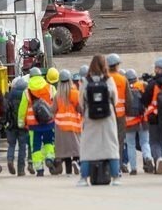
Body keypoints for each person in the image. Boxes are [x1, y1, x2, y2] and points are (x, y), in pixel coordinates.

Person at [77, 54, 123, 187]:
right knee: (111, 146)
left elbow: (81, 101)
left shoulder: (86, 81)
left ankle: (83, 178)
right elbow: (115, 99)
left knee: (87, 147)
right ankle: (115, 177)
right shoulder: (109, 79)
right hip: (107, 117)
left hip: (90, 116)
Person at [19, 65, 57, 176]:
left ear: (30, 77)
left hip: (33, 125)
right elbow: (56, 104)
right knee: (49, 142)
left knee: (35, 146)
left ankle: (39, 169)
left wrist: (21, 122)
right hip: (48, 122)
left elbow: (22, 109)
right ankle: (50, 158)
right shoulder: (50, 88)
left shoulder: (26, 92)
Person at [123, 69, 153, 175]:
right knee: (145, 142)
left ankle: (134, 168)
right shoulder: (142, 85)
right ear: (136, 77)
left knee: (130, 145)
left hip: (129, 121)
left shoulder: (124, 88)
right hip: (143, 119)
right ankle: (148, 157)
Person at [54, 69, 82, 175]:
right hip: (73, 124)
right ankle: (76, 161)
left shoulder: (57, 95)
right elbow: (80, 108)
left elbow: (53, 110)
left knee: (65, 150)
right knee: (76, 147)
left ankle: (68, 171)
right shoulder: (75, 93)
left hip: (60, 126)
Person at [106, 53, 129, 169]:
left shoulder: (104, 78)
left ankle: (108, 165)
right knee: (119, 142)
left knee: (108, 140)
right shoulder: (122, 79)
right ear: (116, 66)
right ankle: (118, 166)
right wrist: (129, 113)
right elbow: (128, 99)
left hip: (107, 115)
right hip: (120, 115)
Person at [5, 76, 30, 176]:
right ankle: (21, 169)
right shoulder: (26, 95)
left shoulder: (9, 95)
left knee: (11, 145)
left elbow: (6, 109)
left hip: (11, 125)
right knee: (22, 147)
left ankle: (10, 160)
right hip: (22, 125)